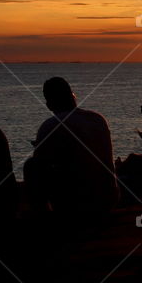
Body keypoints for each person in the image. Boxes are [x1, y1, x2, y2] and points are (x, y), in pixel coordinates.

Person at [23, 77, 119, 215]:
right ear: (73, 96)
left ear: (49, 103)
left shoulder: (51, 125)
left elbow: (40, 161)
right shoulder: (98, 119)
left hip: (78, 203)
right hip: (109, 198)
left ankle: (41, 215)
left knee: (31, 165)